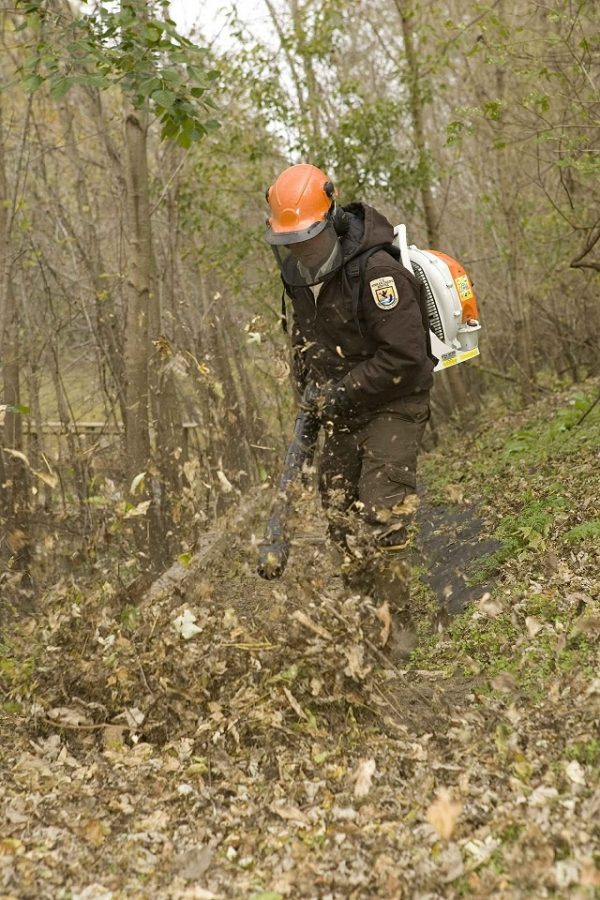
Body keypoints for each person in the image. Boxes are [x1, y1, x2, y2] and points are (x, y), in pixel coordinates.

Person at [265, 163, 434, 617]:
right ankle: (362, 618)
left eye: (307, 237)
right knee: (340, 513)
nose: (299, 248)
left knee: (382, 511)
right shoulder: (301, 280)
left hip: (394, 400)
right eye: (290, 241)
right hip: (342, 407)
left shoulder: (377, 272)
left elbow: (406, 358)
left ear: (332, 221)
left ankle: (395, 629)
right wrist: (311, 396)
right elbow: (307, 345)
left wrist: (341, 393)